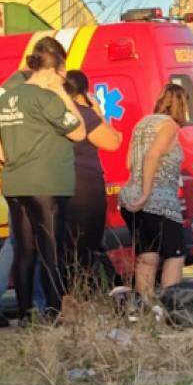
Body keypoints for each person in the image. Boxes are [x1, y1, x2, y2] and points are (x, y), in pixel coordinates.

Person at [0, 45, 86, 325]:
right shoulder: (47, 98)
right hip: (47, 183)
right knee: (52, 251)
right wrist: (62, 94)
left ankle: (26, 315)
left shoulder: (9, 95)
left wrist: (5, 155)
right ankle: (52, 313)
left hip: (16, 184)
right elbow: (79, 131)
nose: (62, 79)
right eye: (61, 74)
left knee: (25, 251)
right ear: (51, 71)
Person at [119, 84, 190, 300]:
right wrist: (146, 193)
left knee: (147, 257)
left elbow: (130, 162)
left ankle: (147, 309)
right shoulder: (169, 126)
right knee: (175, 254)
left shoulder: (141, 124)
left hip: (129, 198)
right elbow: (152, 156)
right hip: (158, 201)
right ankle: (170, 307)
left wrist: (138, 191)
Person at [63, 70, 123, 289]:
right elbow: (112, 142)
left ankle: (75, 291)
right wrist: (98, 112)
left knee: (69, 245)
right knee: (90, 243)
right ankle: (99, 291)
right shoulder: (84, 115)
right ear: (84, 91)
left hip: (59, 187)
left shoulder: (52, 114)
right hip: (86, 187)